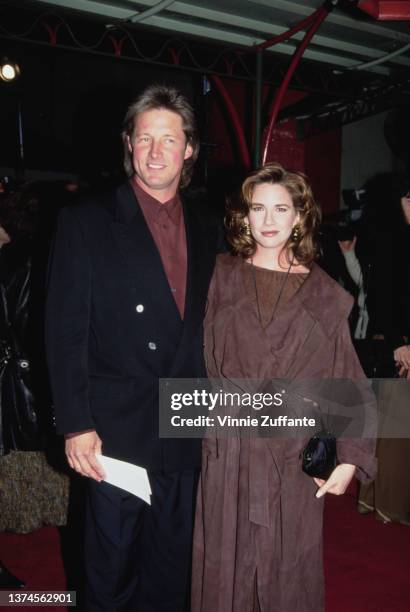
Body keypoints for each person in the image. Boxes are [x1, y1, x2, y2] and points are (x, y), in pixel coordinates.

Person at [45, 84, 219, 611]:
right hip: (115, 428)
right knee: (110, 571)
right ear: (129, 144)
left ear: (189, 149)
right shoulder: (86, 221)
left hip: (189, 423)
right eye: (145, 139)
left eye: (169, 139)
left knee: (174, 571)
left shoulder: (213, 228)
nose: (156, 151)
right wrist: (75, 423)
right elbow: (64, 330)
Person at [191, 163, 376, 612]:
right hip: (228, 449)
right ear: (243, 216)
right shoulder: (218, 277)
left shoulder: (324, 295)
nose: (269, 220)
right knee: (222, 564)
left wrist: (350, 459)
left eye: (281, 208)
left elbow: (346, 378)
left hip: (291, 456)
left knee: (289, 570)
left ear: (299, 217)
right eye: (258, 208)